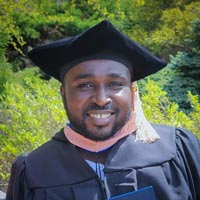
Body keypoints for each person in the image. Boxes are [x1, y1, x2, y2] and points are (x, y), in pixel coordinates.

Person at [6, 20, 200, 200]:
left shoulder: (176, 150)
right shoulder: (33, 171)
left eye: (115, 84)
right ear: (63, 92)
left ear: (132, 92)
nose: (101, 99)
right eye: (85, 85)